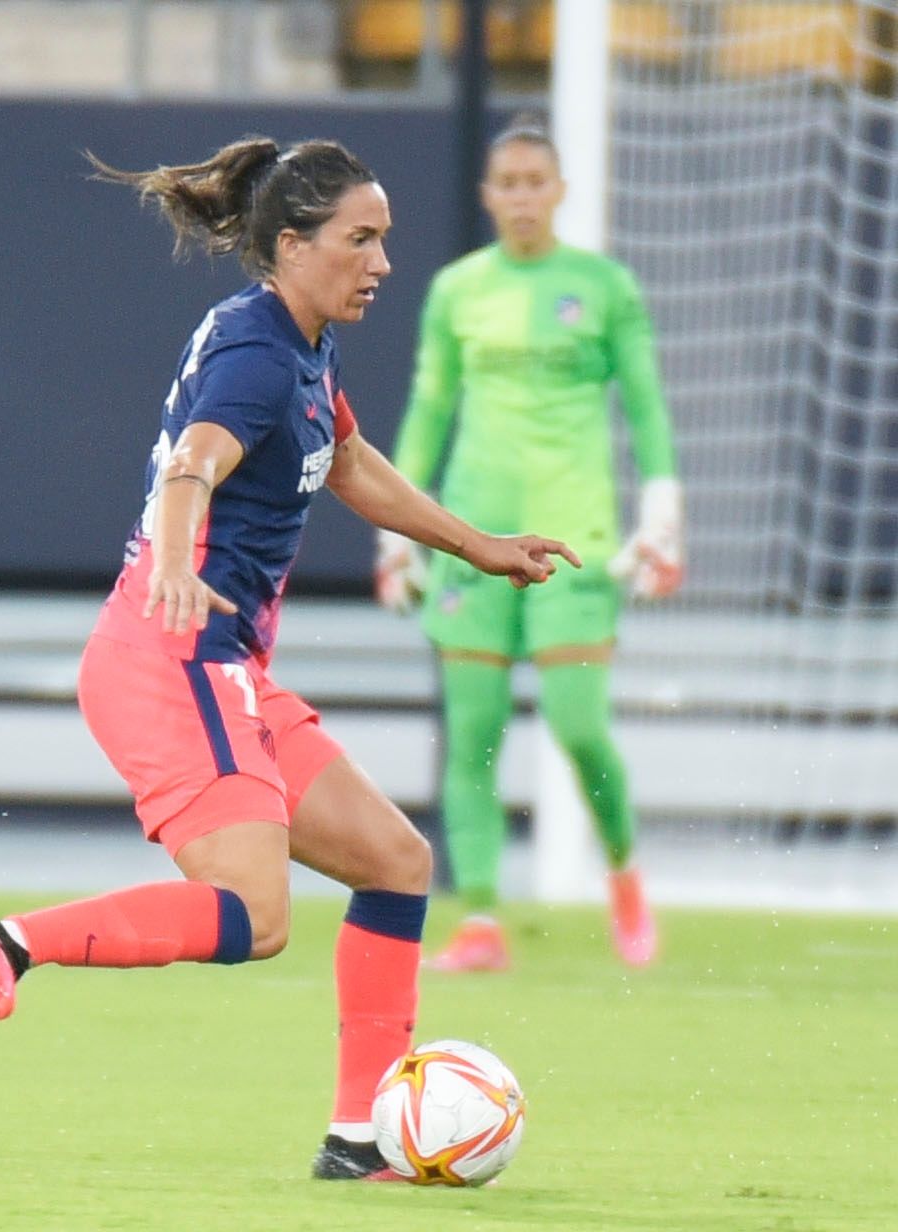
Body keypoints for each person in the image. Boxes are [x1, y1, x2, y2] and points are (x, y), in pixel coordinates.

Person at [0, 136, 579, 1181]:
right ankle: (7, 939)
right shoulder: (257, 354)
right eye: (360, 240)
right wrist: (179, 563)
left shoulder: (298, 344)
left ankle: (360, 1139)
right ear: (290, 244)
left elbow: (350, 461)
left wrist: (476, 545)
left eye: (385, 240)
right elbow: (192, 463)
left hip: (220, 660)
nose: (381, 262)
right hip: (170, 651)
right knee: (254, 913)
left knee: (394, 863)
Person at [375, 113, 681, 973]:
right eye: (504, 184)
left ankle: (622, 871)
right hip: (473, 539)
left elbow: (646, 406)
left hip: (576, 538)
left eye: (533, 182)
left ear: (560, 191)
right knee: (470, 738)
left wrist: (662, 510)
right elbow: (431, 406)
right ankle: (479, 919)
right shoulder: (458, 289)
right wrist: (400, 538)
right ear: (487, 194)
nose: (519, 198)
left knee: (579, 727)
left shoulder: (605, 286)